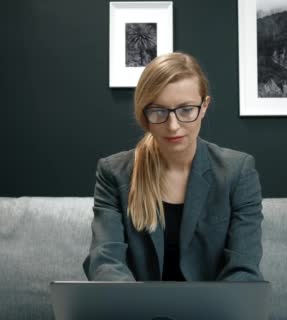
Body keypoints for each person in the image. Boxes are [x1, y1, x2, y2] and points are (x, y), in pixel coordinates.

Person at [83, 52, 263, 281]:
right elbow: (105, 261)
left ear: (204, 107)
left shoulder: (238, 172)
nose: (173, 126)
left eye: (186, 109)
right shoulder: (113, 173)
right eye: (159, 111)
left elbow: (243, 268)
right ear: (144, 113)